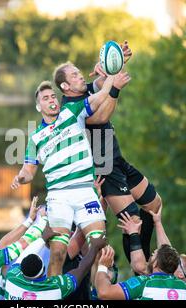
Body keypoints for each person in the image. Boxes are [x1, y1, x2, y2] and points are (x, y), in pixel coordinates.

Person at [53, 42, 162, 263]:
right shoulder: (69, 108)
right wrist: (114, 88)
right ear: (65, 86)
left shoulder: (86, 90)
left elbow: (103, 81)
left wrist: (116, 62)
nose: (80, 76)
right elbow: (99, 117)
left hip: (117, 159)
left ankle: (147, 257)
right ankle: (139, 267)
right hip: (104, 167)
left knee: (153, 205)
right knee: (132, 219)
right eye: (75, 75)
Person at [11, 75, 122, 276]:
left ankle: (99, 294)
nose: (52, 100)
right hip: (59, 196)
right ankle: (53, 294)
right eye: (45, 98)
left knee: (99, 244)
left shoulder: (72, 111)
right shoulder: (35, 138)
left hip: (84, 190)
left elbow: (101, 95)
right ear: (39, 107)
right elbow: (28, 171)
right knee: (58, 253)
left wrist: (112, 74)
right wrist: (20, 178)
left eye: (53, 96)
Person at [117, 206, 186, 287]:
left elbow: (141, 267)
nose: (173, 258)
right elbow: (166, 250)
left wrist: (133, 233)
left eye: (177, 261)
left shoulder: (168, 285)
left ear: (180, 275)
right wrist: (157, 222)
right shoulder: (179, 285)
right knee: (153, 205)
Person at [5, 234, 107, 300]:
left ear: (21, 270)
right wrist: (95, 247)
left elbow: (22, 257)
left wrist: (94, 247)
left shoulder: (12, 277)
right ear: (43, 270)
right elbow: (81, 269)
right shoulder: (55, 289)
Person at [95, 244, 186, 300]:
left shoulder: (144, 282)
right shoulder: (185, 288)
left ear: (155, 263)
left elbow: (104, 292)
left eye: (152, 255)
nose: (149, 258)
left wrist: (102, 266)